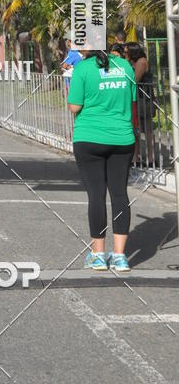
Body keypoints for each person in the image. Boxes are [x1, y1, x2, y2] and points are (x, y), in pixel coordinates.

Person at [68, 47, 137, 273]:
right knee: (119, 194)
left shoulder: (82, 69)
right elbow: (132, 100)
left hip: (89, 137)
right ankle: (119, 257)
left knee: (96, 194)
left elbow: (75, 106)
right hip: (122, 137)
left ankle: (98, 255)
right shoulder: (125, 66)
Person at [125, 43, 156, 167]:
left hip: (145, 99)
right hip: (136, 98)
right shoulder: (133, 62)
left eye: (127, 52)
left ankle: (150, 157)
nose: (125, 54)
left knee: (147, 129)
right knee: (135, 128)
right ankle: (136, 156)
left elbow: (135, 79)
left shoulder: (141, 62)